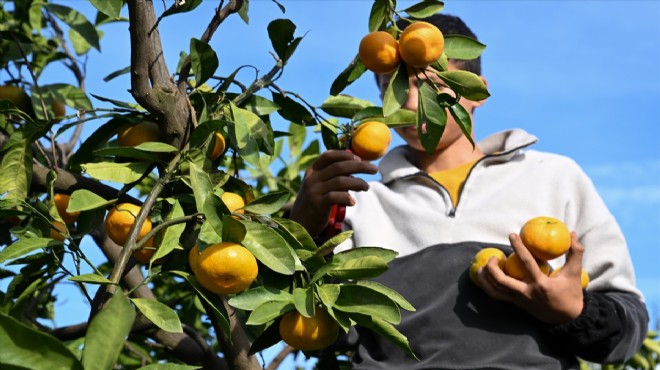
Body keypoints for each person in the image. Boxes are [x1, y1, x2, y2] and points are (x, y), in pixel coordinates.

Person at [289, 13, 649, 370]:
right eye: (394, 88)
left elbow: (627, 327)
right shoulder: (358, 202)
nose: (411, 103)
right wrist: (302, 230)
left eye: (428, 85)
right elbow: (321, 332)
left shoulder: (554, 178)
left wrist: (573, 313)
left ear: (477, 90)